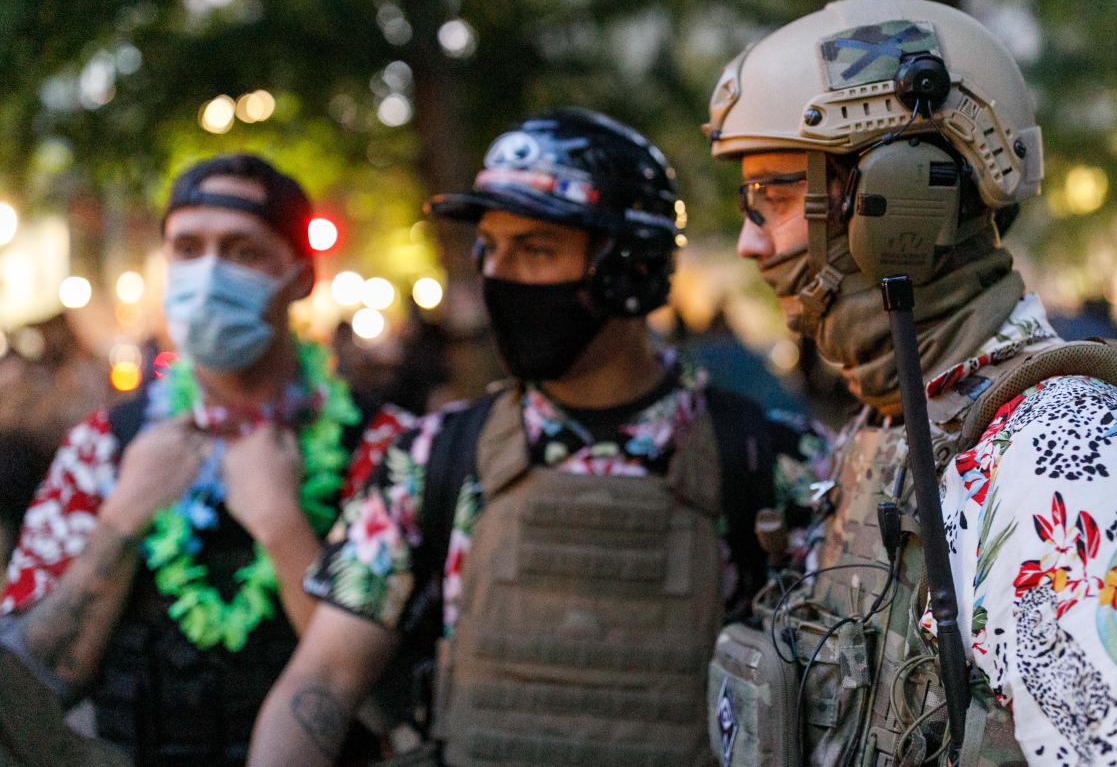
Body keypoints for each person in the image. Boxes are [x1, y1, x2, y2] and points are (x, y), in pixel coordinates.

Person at [704, 0, 1117, 766]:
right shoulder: (900, 423)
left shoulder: (1063, 455)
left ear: (903, 203)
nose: (752, 243)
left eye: (776, 197)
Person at [247, 109, 832, 766]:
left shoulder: (772, 461)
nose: (502, 278)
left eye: (536, 250)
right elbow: (322, 680)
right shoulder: (431, 457)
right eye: (491, 249)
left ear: (630, 268)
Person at [0, 154, 412, 766]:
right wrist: (124, 516)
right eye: (187, 248)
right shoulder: (102, 448)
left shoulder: (387, 450)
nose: (209, 273)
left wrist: (282, 526)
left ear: (300, 276)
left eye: (243, 252)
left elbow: (395, 704)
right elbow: (34, 686)